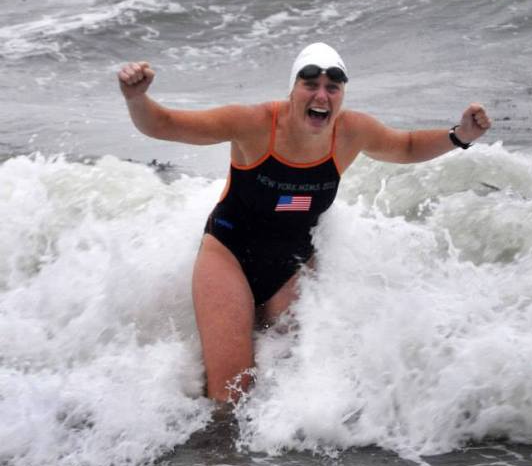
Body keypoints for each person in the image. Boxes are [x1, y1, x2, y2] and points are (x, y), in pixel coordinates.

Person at [118, 42, 491, 403]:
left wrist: (460, 136)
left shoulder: (351, 132)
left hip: (292, 267)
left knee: (284, 392)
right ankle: (218, 462)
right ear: (293, 90)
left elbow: (407, 146)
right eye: (310, 84)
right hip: (229, 256)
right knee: (230, 395)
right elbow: (165, 124)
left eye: (333, 87)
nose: (322, 96)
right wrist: (137, 98)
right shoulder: (254, 123)